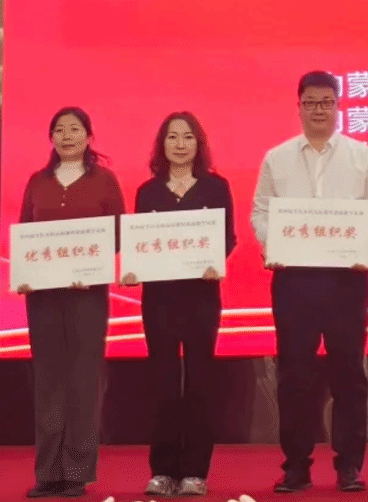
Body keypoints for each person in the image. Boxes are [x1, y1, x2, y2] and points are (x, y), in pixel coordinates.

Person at [252, 71, 368, 494]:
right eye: (310, 102)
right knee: (294, 374)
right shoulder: (277, 158)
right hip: (294, 280)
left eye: (326, 102)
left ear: (338, 106)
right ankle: (296, 465)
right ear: (298, 107)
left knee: (349, 373)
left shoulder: (361, 156)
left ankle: (349, 466)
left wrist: (359, 244)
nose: (318, 110)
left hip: (346, 280)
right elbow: (261, 212)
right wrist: (273, 244)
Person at [122, 112, 237, 498]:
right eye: (172, 137)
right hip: (159, 300)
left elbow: (228, 238)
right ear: (162, 144)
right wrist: (134, 269)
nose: (180, 144)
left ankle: (195, 472)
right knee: (164, 384)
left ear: (198, 144)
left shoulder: (216, 187)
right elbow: (141, 242)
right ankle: (163, 470)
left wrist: (215, 261)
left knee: (200, 382)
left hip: (201, 297)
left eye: (188, 137)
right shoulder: (148, 191)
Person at [16, 107, 126, 499]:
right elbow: (25, 234)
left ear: (89, 137)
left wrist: (90, 266)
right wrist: (25, 272)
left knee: (83, 380)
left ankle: (77, 471)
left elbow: (118, 234)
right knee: (48, 381)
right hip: (44, 297)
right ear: (51, 138)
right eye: (59, 130)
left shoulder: (104, 181)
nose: (67, 136)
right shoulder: (38, 181)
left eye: (74, 129)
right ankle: (48, 472)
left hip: (87, 295)